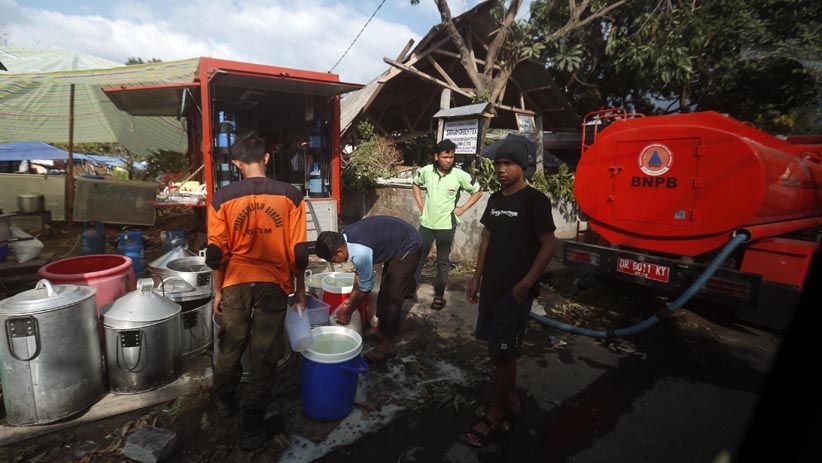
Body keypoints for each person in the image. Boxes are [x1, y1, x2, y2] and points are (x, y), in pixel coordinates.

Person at [205, 133, 307, 451]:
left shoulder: (221, 198)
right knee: (264, 354)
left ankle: (224, 401)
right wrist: (300, 292)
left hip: (235, 282)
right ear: (265, 158)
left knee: (232, 344)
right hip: (273, 285)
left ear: (236, 164)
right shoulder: (291, 195)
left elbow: (215, 254)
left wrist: (218, 292)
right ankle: (251, 427)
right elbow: (299, 254)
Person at [462, 138, 557, 448]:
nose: (501, 170)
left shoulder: (535, 200)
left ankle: (496, 412)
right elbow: (486, 239)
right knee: (496, 350)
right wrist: (476, 277)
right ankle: (511, 397)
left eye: (508, 164)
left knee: (503, 353)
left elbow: (548, 245)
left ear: (522, 166)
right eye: (498, 164)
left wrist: (527, 283)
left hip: (515, 292)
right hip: (491, 287)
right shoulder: (495, 199)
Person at [315, 215, 422, 362]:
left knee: (392, 296)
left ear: (340, 252)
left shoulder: (360, 252)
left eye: (333, 261)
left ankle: (387, 346)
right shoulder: (344, 237)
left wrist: (348, 311)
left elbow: (366, 287)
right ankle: (381, 329)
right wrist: (351, 298)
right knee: (385, 289)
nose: (336, 264)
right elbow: (359, 273)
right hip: (396, 239)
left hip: (408, 245)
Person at [412, 139, 483, 310]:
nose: (449, 160)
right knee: (418, 258)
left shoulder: (460, 175)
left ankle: (439, 295)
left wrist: (463, 208)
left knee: (442, 261)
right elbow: (415, 183)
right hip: (427, 224)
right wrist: (421, 205)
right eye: (445, 157)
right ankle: (410, 289)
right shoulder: (427, 171)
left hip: (446, 226)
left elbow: (478, 191)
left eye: (451, 157)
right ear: (436, 157)